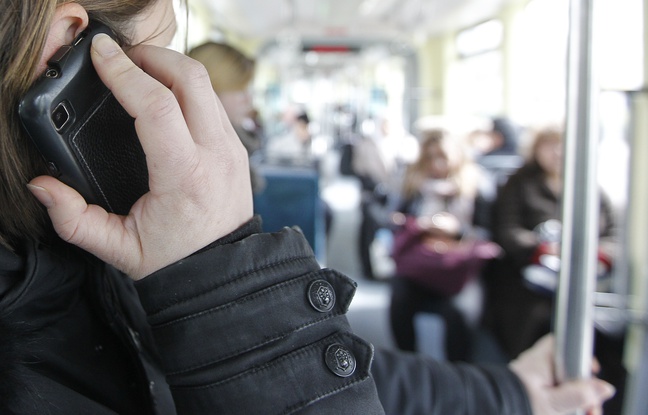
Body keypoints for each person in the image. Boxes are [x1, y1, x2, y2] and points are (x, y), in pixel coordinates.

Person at [0, 1, 614, 414]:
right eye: (157, 52)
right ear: (71, 45)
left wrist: (509, 393)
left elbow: (326, 361)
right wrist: (214, 273)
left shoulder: (93, 258)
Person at [485, 125, 626, 413]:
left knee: (607, 335)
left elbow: (612, 235)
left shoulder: (590, 186)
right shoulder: (518, 184)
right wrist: (545, 250)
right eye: (550, 145)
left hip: (585, 280)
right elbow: (508, 232)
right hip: (527, 279)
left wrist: (595, 254)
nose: (558, 152)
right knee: (537, 320)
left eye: (563, 145)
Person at [389, 128, 500, 361]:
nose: (436, 163)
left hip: (459, 267)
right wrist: (417, 225)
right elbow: (396, 218)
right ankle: (409, 363)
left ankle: (456, 372)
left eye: (442, 156)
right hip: (421, 264)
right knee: (399, 300)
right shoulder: (414, 185)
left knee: (460, 312)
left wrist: (457, 231)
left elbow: (489, 233)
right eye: (429, 157)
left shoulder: (478, 185)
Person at [187, 41, 265, 193]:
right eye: (240, 90)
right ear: (212, 90)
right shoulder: (208, 158)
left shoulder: (237, 144)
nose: (248, 100)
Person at [351, 115, 418, 280]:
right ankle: (369, 268)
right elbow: (359, 170)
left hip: (399, 196)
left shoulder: (405, 143)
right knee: (369, 229)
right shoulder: (367, 144)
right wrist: (375, 187)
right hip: (373, 197)